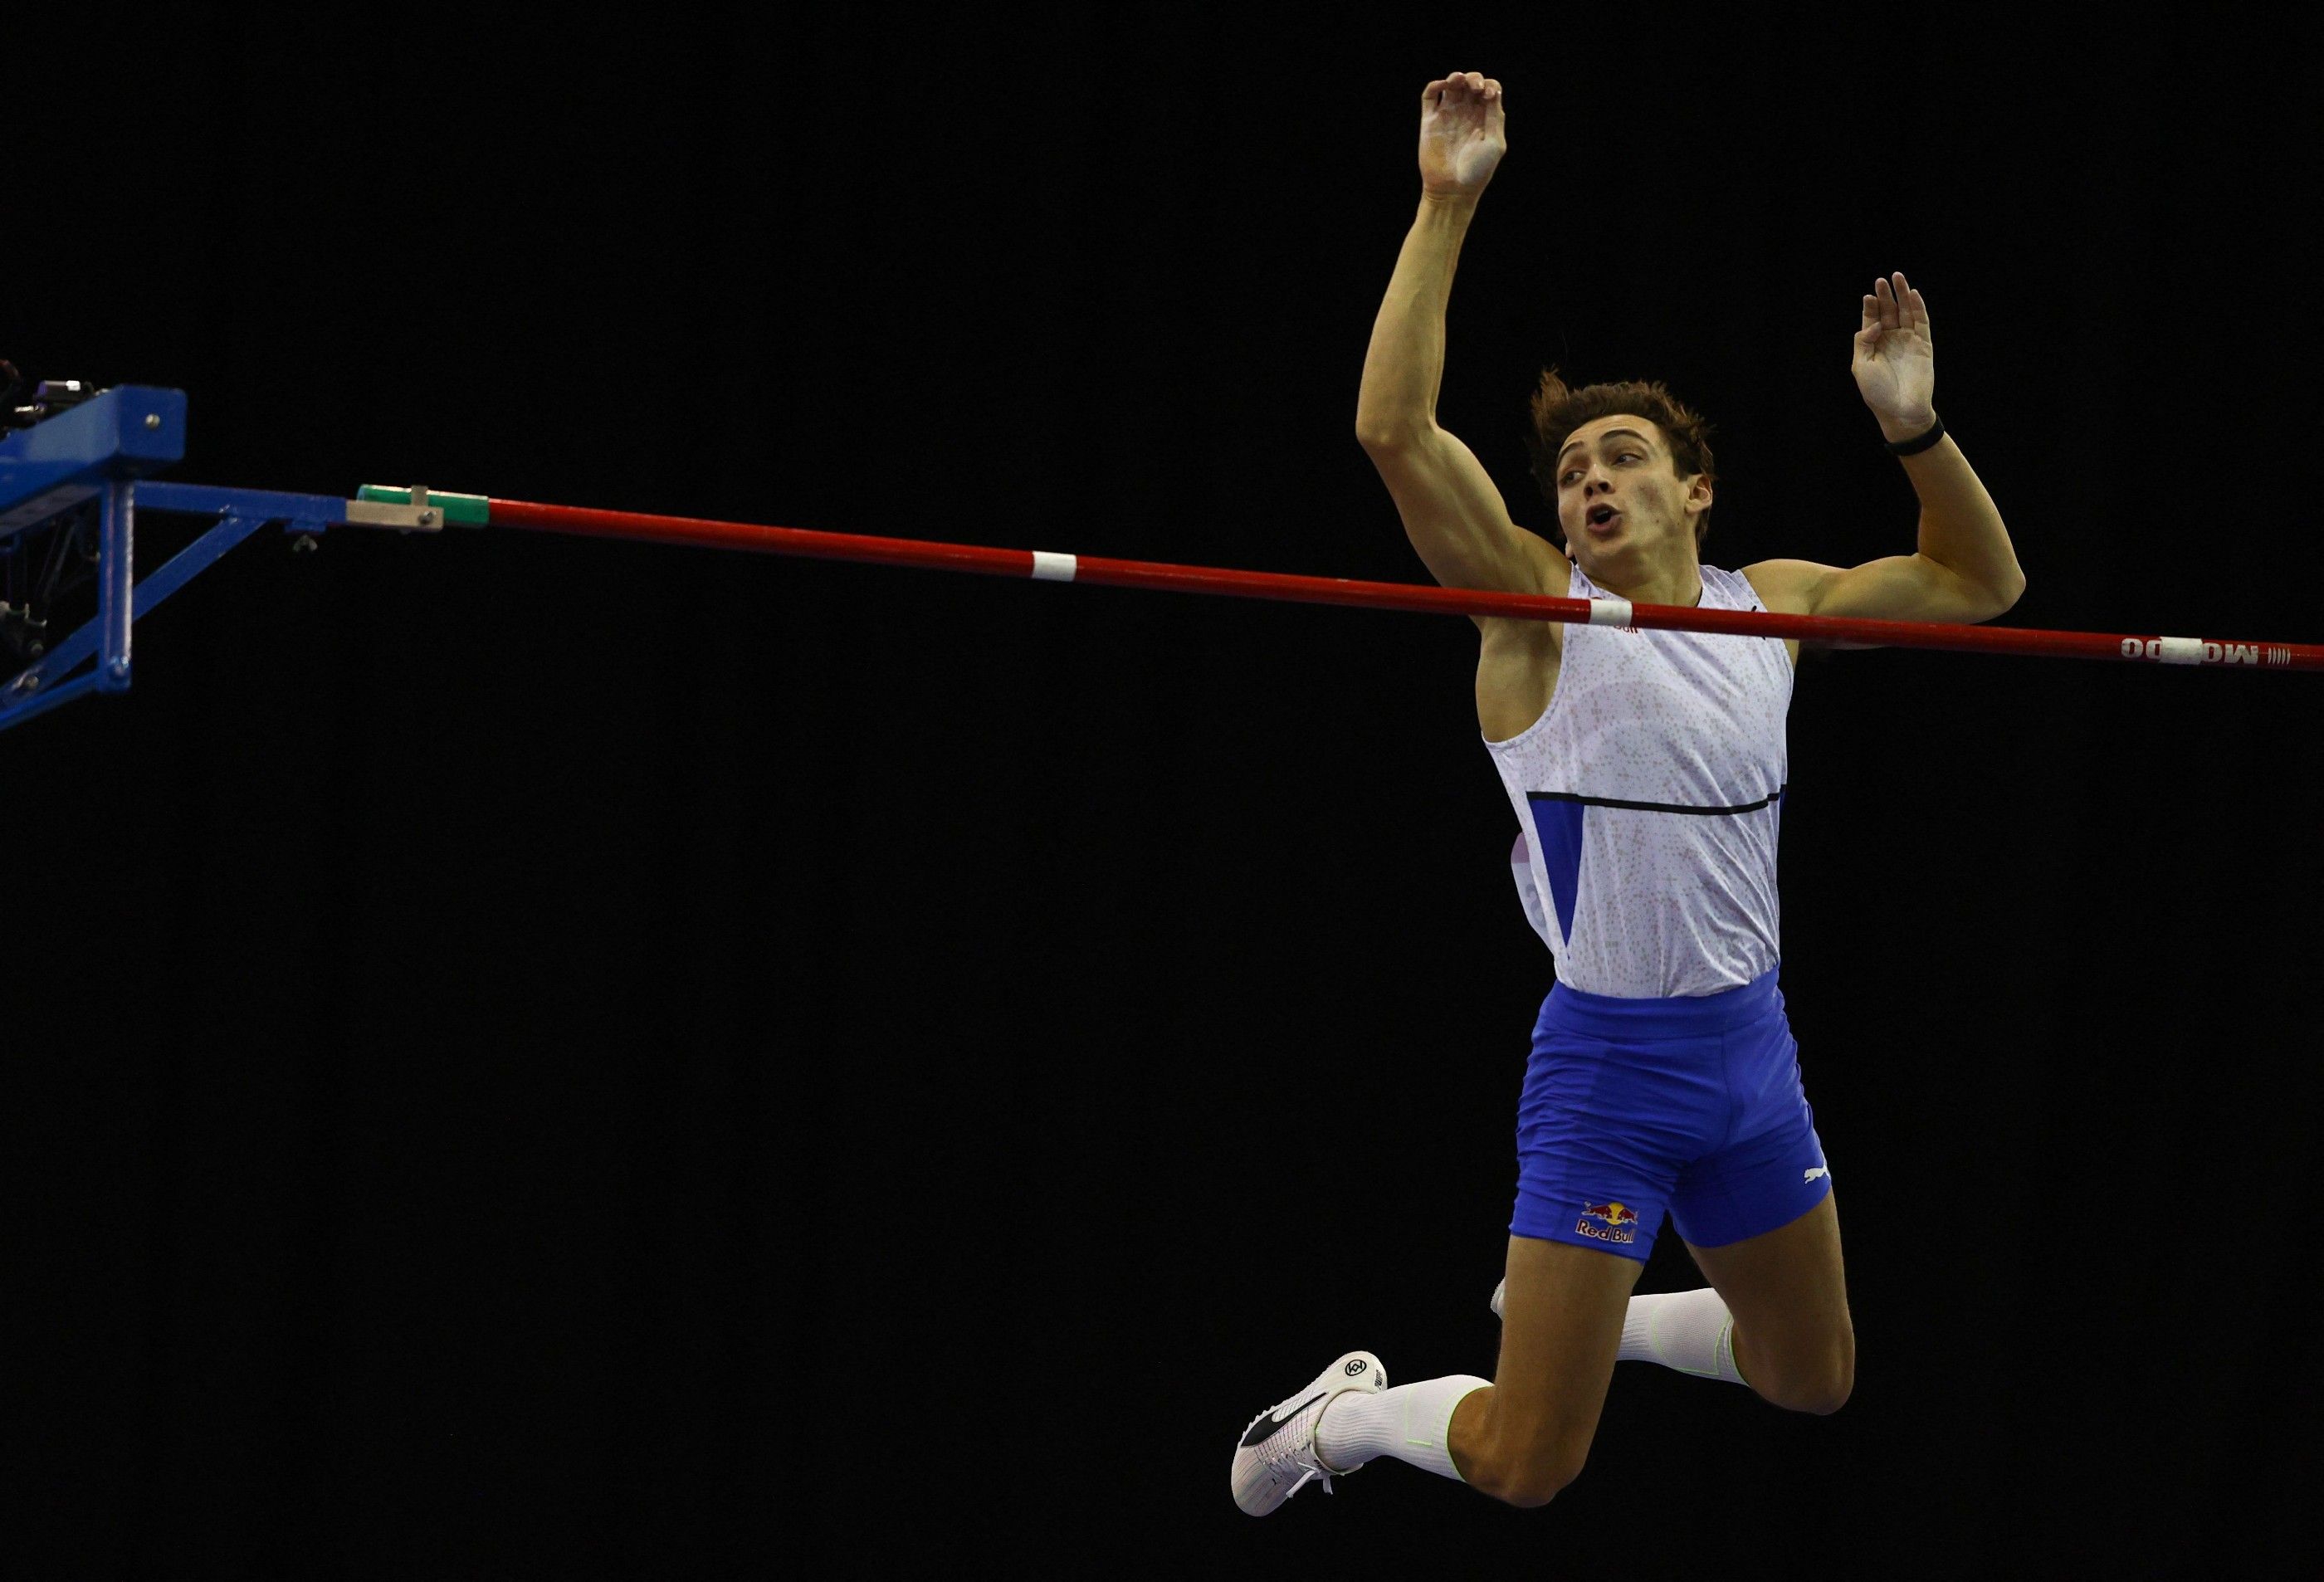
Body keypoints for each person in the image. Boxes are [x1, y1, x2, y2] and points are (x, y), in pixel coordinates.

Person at [1230, 71, 2025, 1516]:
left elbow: (1984, 580)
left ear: (1695, 490)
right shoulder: (1534, 612)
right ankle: (1342, 1421)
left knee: (1812, 1373)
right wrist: (1444, 204)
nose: (1591, 482)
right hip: (1608, 1068)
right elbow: (1396, 433)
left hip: (1751, 1046)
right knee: (1531, 1465)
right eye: (1574, 469)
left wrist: (1914, 425)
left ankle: (1590, 1318)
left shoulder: (1768, 605)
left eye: (1623, 458)